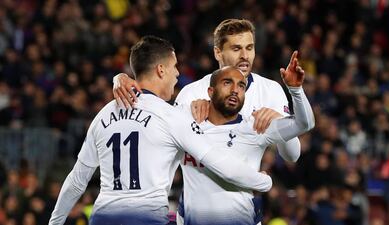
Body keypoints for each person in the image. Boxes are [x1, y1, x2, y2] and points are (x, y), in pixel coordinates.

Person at [48, 36, 274, 225]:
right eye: (175, 67)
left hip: (102, 217)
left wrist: (55, 222)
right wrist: (263, 181)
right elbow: (222, 164)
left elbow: (77, 180)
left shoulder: (103, 115)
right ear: (160, 69)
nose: (177, 75)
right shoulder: (170, 117)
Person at [113, 18, 301, 164]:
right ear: (217, 53)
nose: (245, 56)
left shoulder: (270, 91)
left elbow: (292, 156)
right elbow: (167, 149)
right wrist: (121, 78)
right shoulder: (192, 93)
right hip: (194, 209)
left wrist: (280, 123)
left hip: (243, 206)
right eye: (236, 49)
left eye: (249, 48)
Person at [176, 60, 314, 225]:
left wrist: (296, 90)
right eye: (227, 83)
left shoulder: (256, 126)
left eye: (241, 86)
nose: (235, 90)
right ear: (210, 92)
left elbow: (305, 124)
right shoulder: (186, 123)